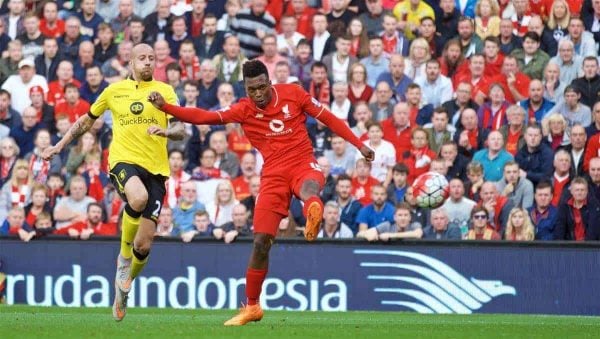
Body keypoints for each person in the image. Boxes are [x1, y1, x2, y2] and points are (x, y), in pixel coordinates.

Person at [148, 59, 374, 325]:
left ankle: (312, 208)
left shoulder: (293, 93)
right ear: (245, 88)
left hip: (302, 162)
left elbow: (330, 119)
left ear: (269, 82)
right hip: (273, 174)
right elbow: (204, 116)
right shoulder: (243, 109)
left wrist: (359, 145)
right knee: (260, 243)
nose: (257, 94)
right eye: (251, 89)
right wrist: (166, 107)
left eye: (261, 87)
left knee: (310, 187)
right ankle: (252, 307)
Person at [42, 44, 185, 322]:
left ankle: (124, 286)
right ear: (130, 62)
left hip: (157, 170)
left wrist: (166, 130)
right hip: (123, 161)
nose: (147, 63)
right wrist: (59, 145)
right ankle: (122, 260)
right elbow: (86, 121)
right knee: (138, 198)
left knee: (143, 246)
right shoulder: (113, 91)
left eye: (151, 59)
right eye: (142, 58)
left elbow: (181, 128)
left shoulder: (164, 92)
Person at [358, 202, 423, 241]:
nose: (403, 218)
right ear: (395, 217)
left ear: (410, 217)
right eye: (400, 215)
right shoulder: (388, 225)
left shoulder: (415, 225)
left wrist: (390, 235)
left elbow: (418, 234)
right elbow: (360, 234)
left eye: (406, 215)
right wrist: (369, 235)